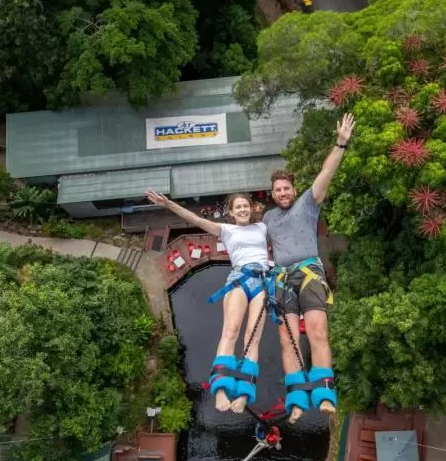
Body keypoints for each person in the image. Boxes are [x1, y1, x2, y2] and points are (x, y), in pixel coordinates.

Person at [265, 113, 355, 423]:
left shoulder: (308, 203)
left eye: (286, 188)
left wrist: (341, 142)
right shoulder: (267, 219)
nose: (283, 193)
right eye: (278, 190)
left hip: (308, 273)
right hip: (281, 278)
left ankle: (324, 392)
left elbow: (326, 172)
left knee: (317, 331)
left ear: (293, 189)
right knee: (286, 339)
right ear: (272, 194)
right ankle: (297, 396)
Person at [144, 190, 268, 413]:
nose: (242, 210)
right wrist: (169, 204)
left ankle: (243, 391)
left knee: (253, 337)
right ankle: (221, 388)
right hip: (240, 279)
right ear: (230, 212)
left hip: (262, 281)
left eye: (245, 206)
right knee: (231, 332)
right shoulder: (226, 230)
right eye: (238, 207)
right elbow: (196, 219)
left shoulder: (262, 227)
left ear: (251, 208)